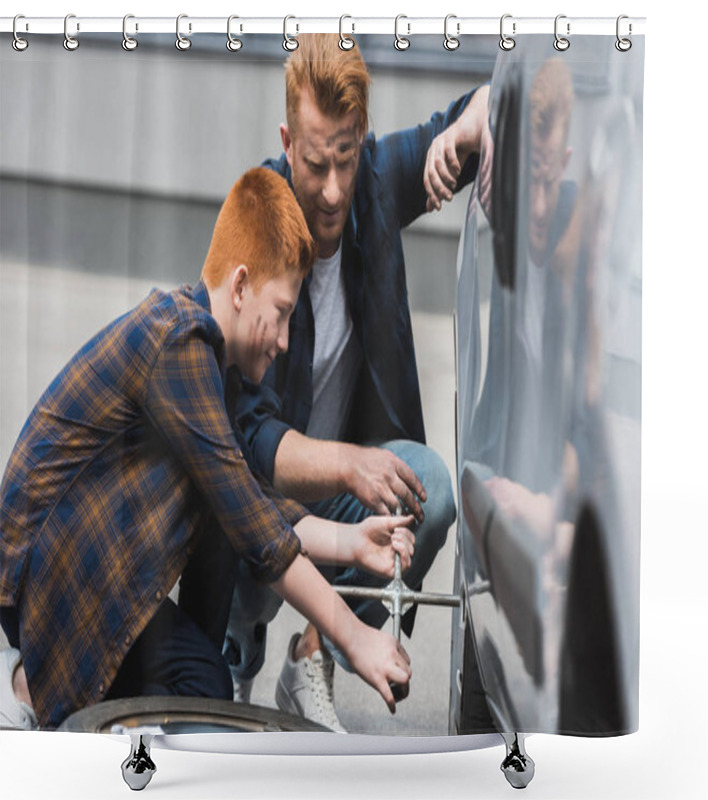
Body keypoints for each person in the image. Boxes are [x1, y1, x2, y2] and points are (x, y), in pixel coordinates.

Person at [0, 167, 415, 732]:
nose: (287, 338)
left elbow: (246, 494)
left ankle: (106, 704)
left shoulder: (214, 368)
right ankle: (26, 685)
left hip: (81, 568)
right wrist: (355, 635)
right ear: (241, 287)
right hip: (45, 578)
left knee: (207, 684)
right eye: (284, 311)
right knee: (204, 673)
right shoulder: (180, 341)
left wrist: (350, 541)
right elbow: (252, 523)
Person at [223, 34, 491, 730]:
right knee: (214, 667)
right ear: (288, 141)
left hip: (343, 495)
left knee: (426, 492)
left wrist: (469, 124)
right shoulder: (259, 221)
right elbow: (247, 440)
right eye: (316, 163)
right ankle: (231, 659)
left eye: (346, 157)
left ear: (362, 139)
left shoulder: (372, 182)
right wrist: (350, 463)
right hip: (257, 500)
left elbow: (484, 108)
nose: (334, 188)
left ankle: (309, 654)